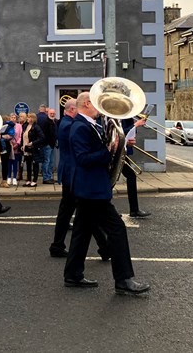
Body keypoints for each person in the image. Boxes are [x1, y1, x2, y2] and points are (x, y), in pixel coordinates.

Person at [63, 92, 150, 295]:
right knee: (117, 229)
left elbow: (106, 143)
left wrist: (120, 144)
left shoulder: (91, 124)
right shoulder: (79, 127)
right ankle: (123, 280)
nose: (99, 108)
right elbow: (84, 158)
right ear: (86, 103)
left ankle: (73, 274)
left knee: (82, 232)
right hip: (91, 188)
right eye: (95, 104)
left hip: (90, 187)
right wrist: (109, 150)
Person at [49, 98, 109, 260]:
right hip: (72, 174)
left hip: (70, 172)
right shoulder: (70, 125)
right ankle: (104, 247)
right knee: (81, 212)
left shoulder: (68, 123)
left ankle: (58, 245)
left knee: (77, 212)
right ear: (73, 110)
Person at [120, 116, 151, 218]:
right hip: (116, 151)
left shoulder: (125, 117)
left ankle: (134, 210)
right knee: (111, 179)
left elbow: (130, 133)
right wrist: (136, 124)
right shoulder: (113, 116)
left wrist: (134, 124)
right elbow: (119, 133)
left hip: (122, 152)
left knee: (131, 176)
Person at [21, 112, 45, 187]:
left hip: (34, 148)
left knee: (35, 164)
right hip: (27, 148)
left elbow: (42, 137)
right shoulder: (26, 126)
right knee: (28, 164)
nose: (27, 118)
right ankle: (28, 180)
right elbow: (24, 137)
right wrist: (22, 145)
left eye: (28, 117)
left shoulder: (36, 127)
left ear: (32, 118)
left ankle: (34, 181)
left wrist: (33, 143)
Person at [38, 107, 58, 184]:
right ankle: (46, 178)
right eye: (51, 113)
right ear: (47, 113)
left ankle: (49, 177)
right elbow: (43, 134)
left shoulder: (54, 122)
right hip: (47, 144)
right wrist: (46, 142)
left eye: (53, 113)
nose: (52, 115)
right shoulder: (45, 122)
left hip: (52, 144)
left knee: (51, 162)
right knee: (47, 161)